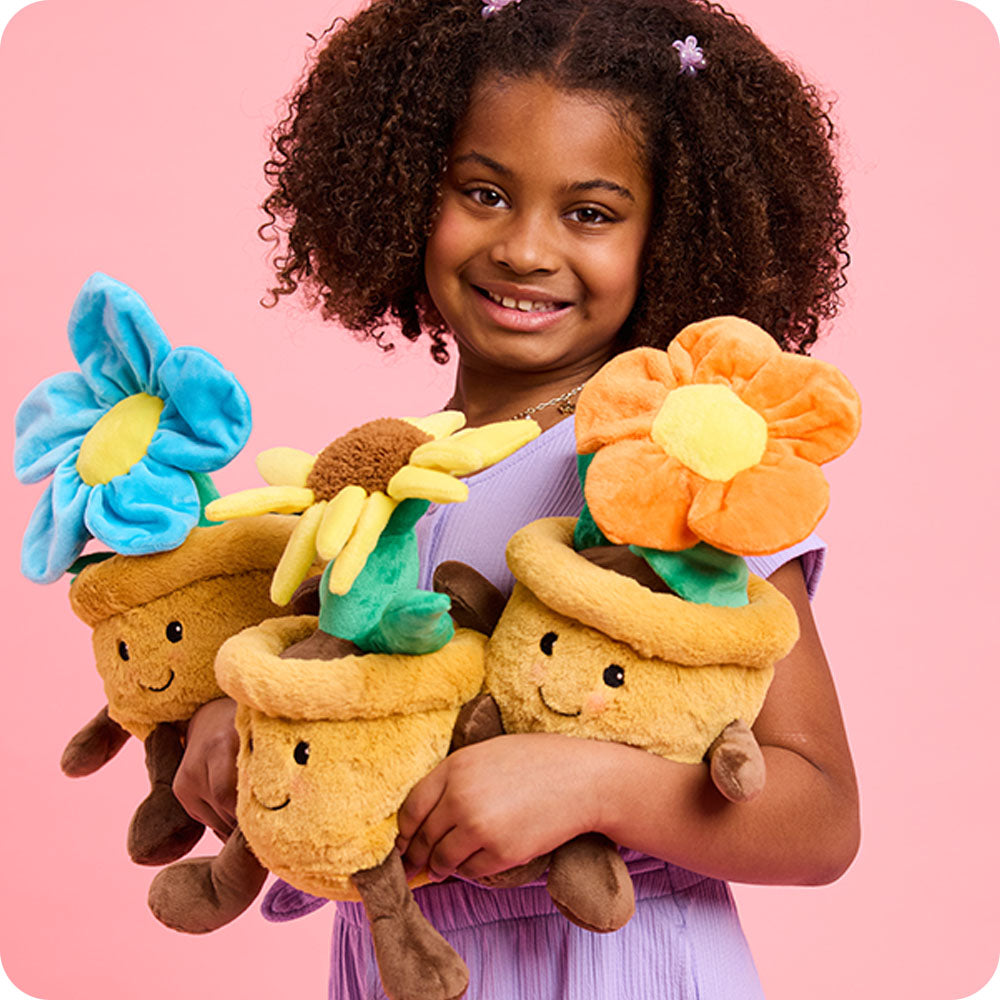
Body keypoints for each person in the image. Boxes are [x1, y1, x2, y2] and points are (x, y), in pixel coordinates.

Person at [175, 0, 860, 995]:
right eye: (484, 192)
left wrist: (601, 785)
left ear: (668, 236)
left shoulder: (667, 461)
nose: (526, 248)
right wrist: (237, 727)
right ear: (410, 188)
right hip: (404, 959)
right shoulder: (380, 483)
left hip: (616, 962)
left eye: (589, 212)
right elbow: (332, 695)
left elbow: (822, 813)